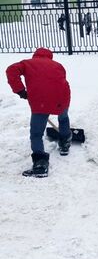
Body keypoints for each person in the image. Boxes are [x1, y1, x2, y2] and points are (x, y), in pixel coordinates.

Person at [6, 48, 72, 177]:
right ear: (50, 57)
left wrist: (20, 90)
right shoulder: (58, 65)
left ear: (35, 55)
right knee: (63, 118)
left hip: (40, 101)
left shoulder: (27, 63)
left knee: (36, 133)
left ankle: (40, 164)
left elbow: (11, 70)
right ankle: (65, 142)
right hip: (62, 97)